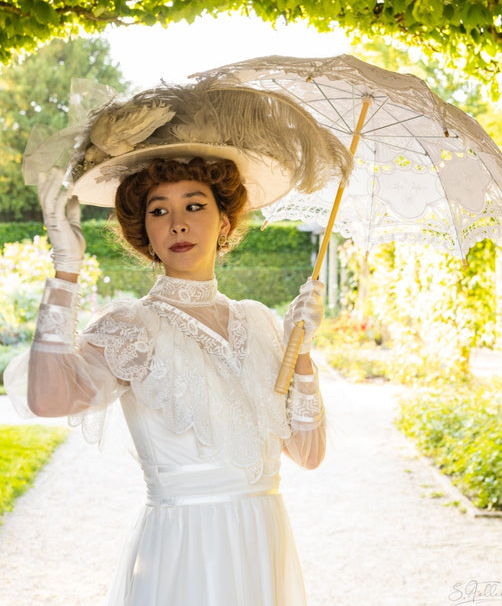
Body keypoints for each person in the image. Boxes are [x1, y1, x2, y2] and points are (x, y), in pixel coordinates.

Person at [7, 153, 327, 606]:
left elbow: (307, 454)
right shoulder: (133, 326)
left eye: (194, 206)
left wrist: (303, 355)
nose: (177, 224)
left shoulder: (259, 322)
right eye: (159, 210)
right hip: (184, 551)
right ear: (146, 235)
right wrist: (66, 269)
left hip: (265, 542)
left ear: (224, 222)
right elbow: (46, 398)